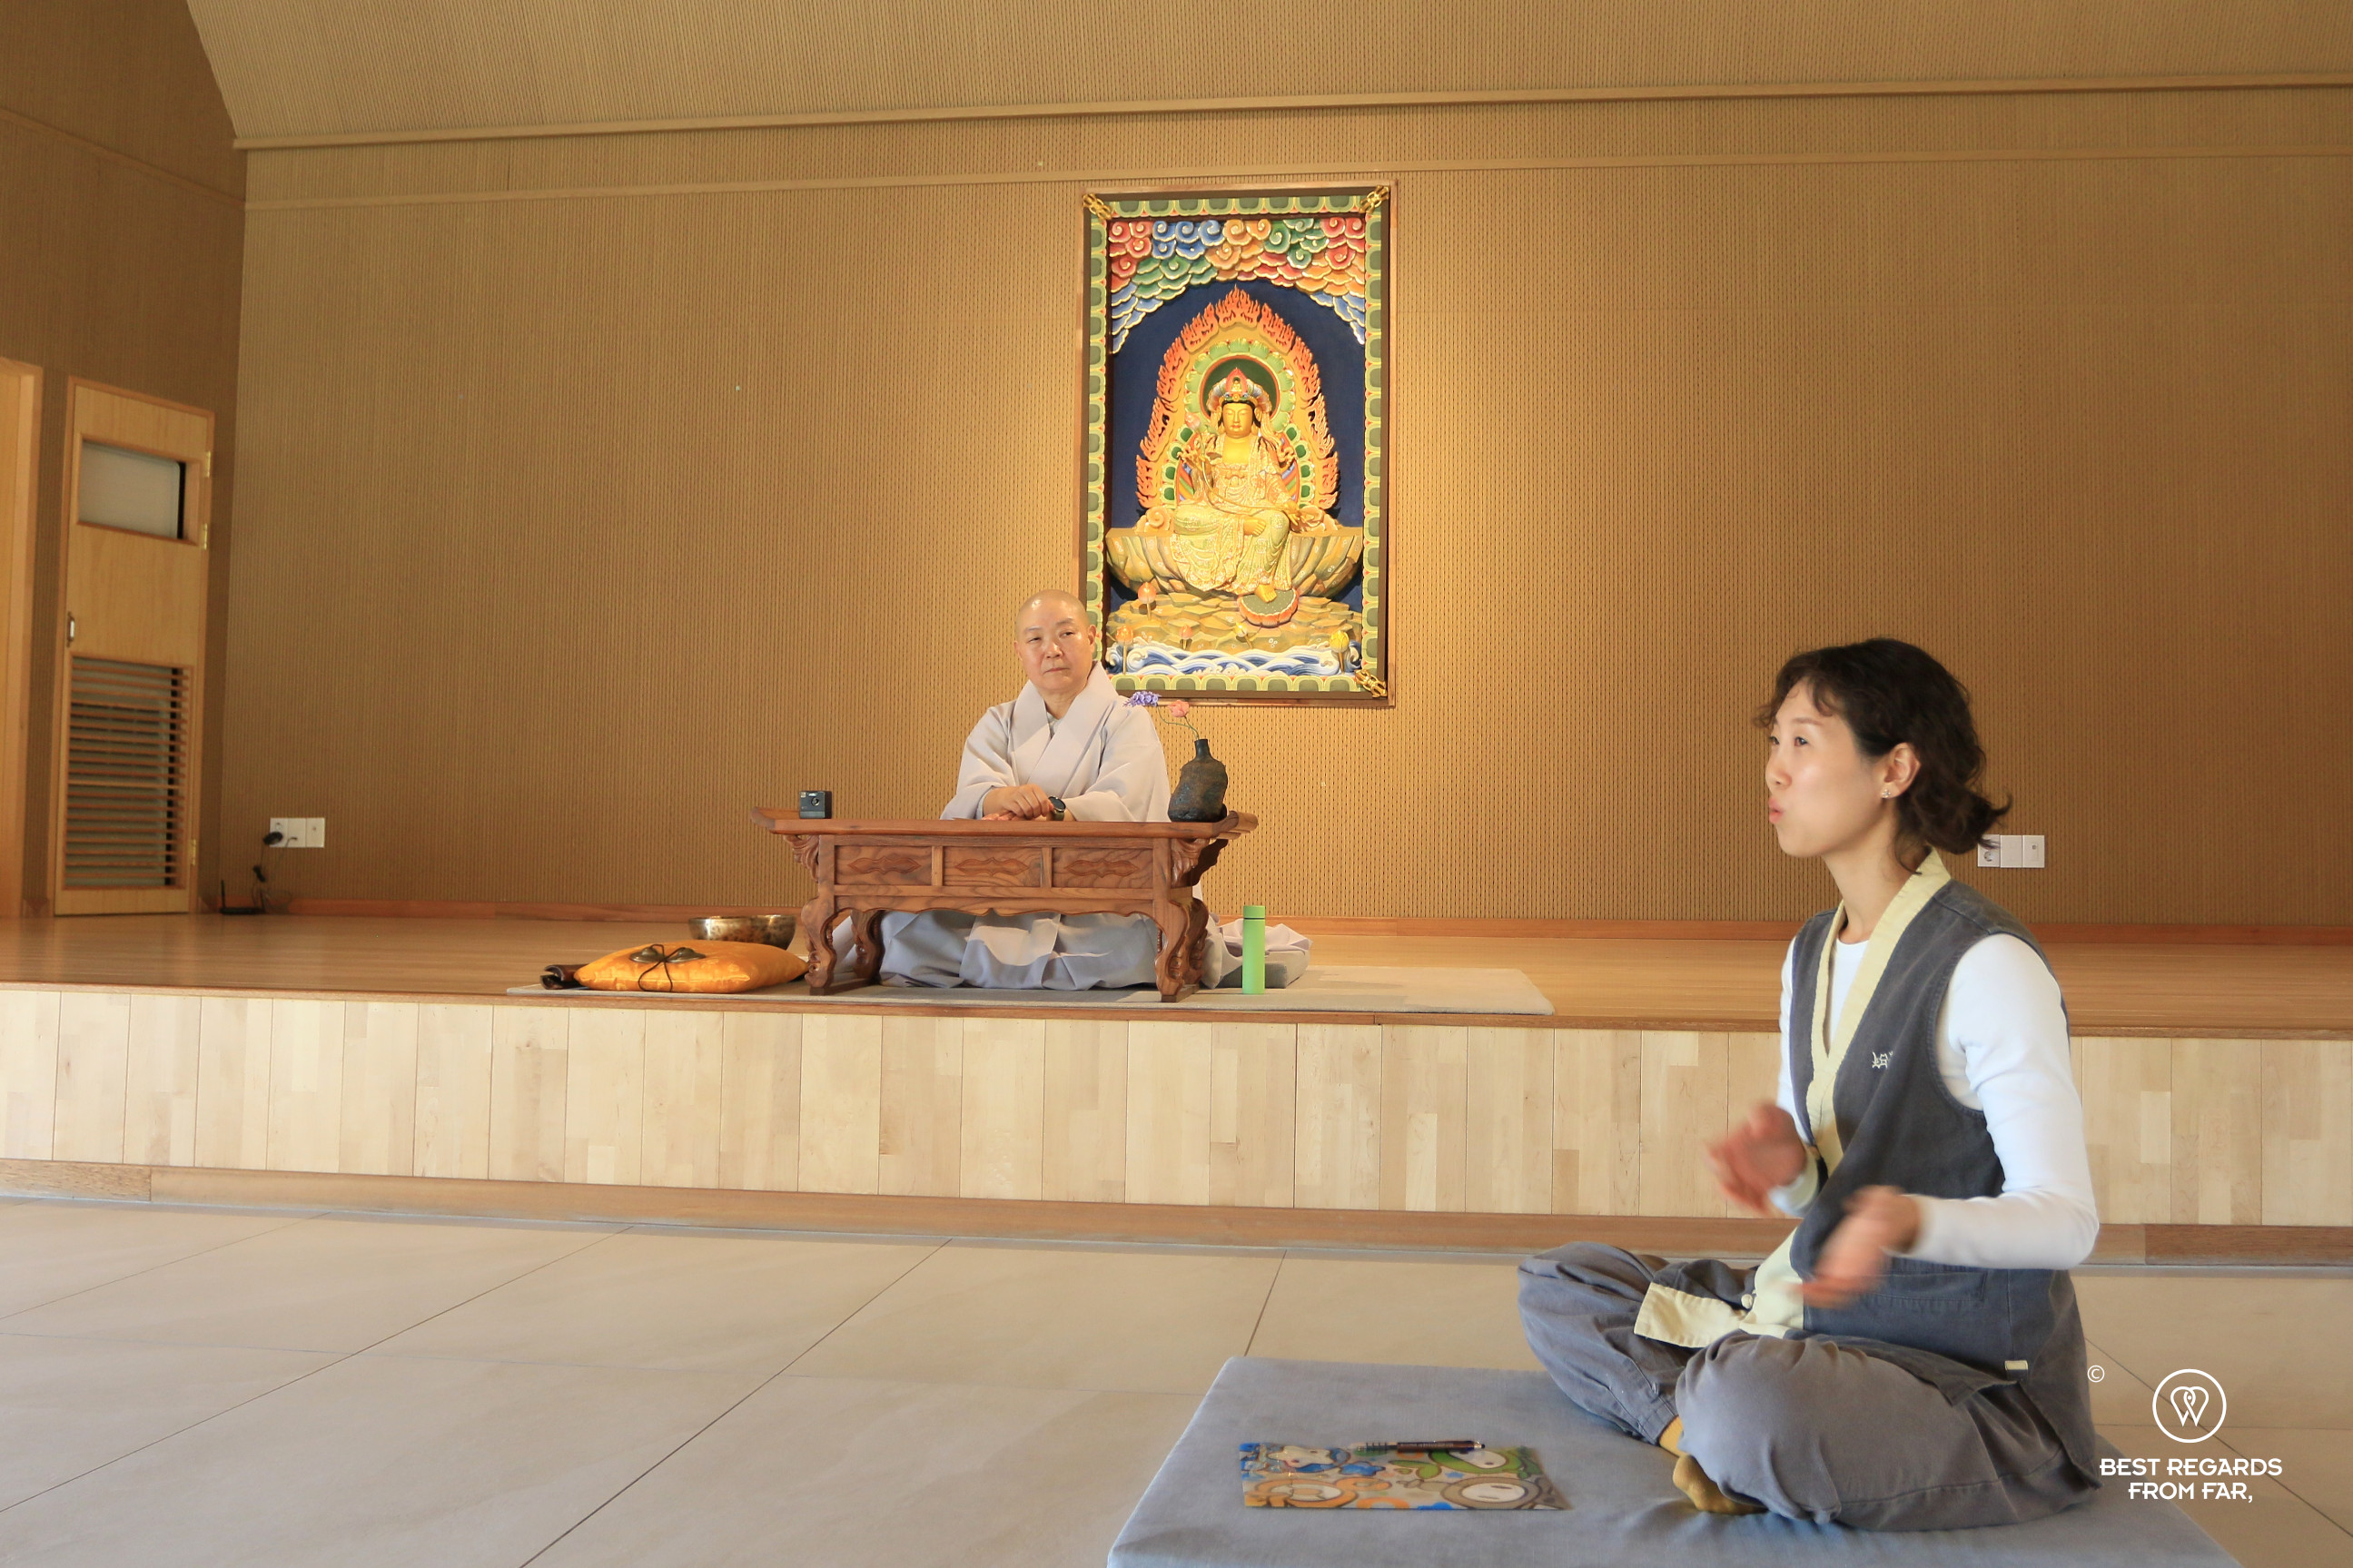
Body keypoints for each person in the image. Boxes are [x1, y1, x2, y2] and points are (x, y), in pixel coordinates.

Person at [1518, 638, 2101, 1531]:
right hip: (1808, 1327)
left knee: (1750, 1391)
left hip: (1959, 1379)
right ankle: (1694, 1429)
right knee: (1562, 1282)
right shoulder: (1809, 950)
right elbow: (1815, 1200)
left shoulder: (1986, 962)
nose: (1773, 768)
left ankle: (1730, 1425)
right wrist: (1784, 1165)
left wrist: (1910, 1219)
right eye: (1775, 741)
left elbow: (2064, 1219)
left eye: (1801, 741)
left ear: (1893, 768)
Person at [874, 588, 1233, 990]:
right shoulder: (998, 722)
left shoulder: (1127, 718)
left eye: (1066, 634)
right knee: (899, 928)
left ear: (1093, 638)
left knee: (1142, 941)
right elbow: (970, 796)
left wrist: (1054, 811)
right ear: (1018, 650)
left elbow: (1125, 803)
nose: (1052, 650)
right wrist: (1001, 798)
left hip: (1097, 898)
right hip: (1005, 895)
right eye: (1035, 639)